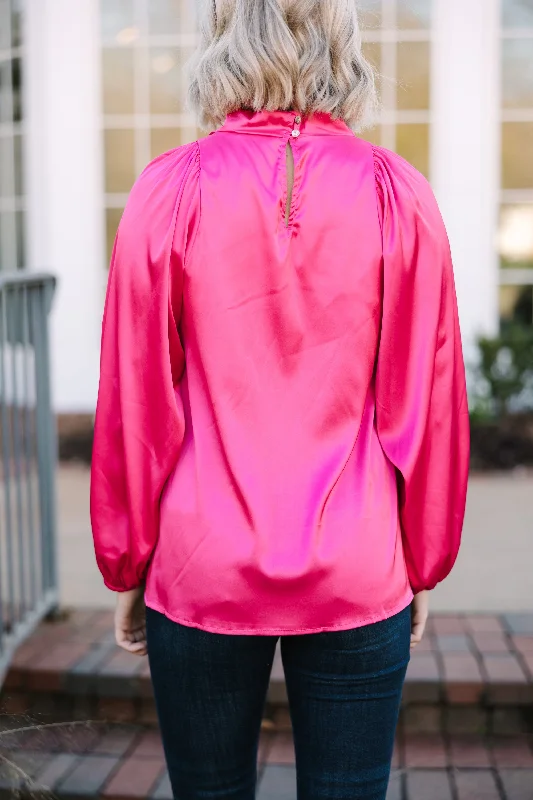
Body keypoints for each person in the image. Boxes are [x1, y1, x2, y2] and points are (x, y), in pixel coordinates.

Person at [90, 1, 470, 798]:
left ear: (220, 42)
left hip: (199, 564)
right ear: (345, 46)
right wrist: (423, 560)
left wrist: (125, 563)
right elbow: (429, 399)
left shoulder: (169, 190)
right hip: (359, 563)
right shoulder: (395, 193)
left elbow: (136, 400)